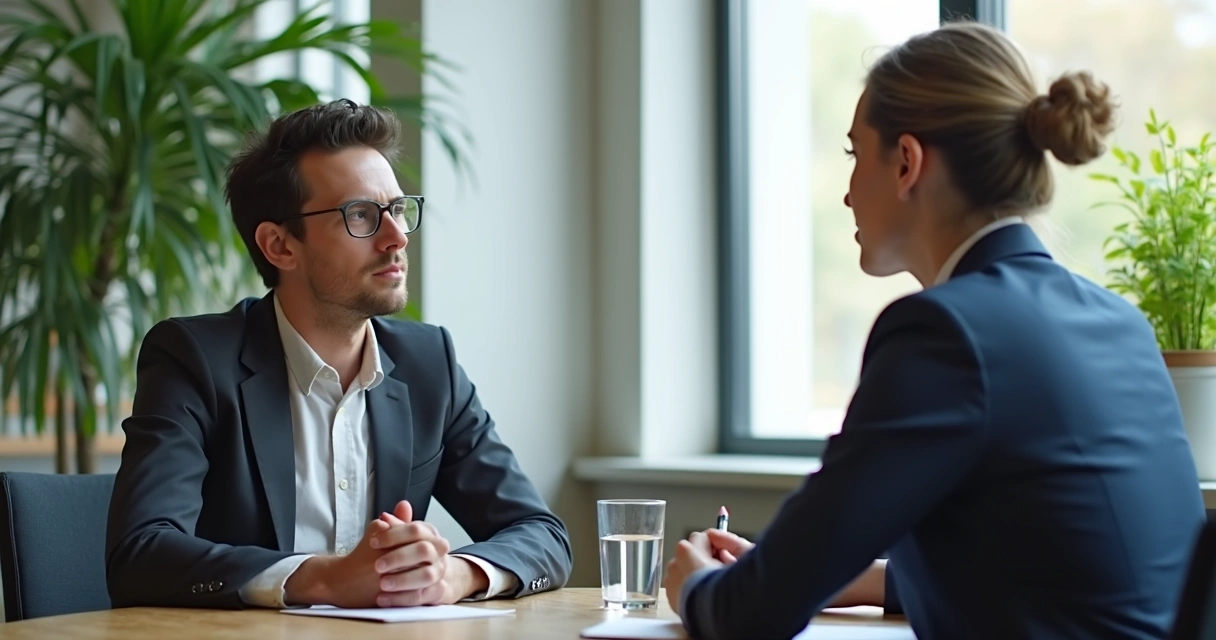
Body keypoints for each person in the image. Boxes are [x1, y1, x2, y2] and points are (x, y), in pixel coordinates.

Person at [664, 21, 1205, 640]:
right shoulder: (1119, 321)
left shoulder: (944, 334)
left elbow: (748, 617)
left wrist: (698, 585)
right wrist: (864, 578)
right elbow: (1051, 564)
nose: (844, 194)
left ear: (906, 162)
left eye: (853, 154)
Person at [106, 99, 571, 610]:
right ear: (280, 246)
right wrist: (322, 579)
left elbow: (541, 533)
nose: (396, 237)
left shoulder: (428, 363)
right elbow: (141, 554)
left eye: (397, 210)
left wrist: (453, 576)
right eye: (361, 216)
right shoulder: (194, 358)